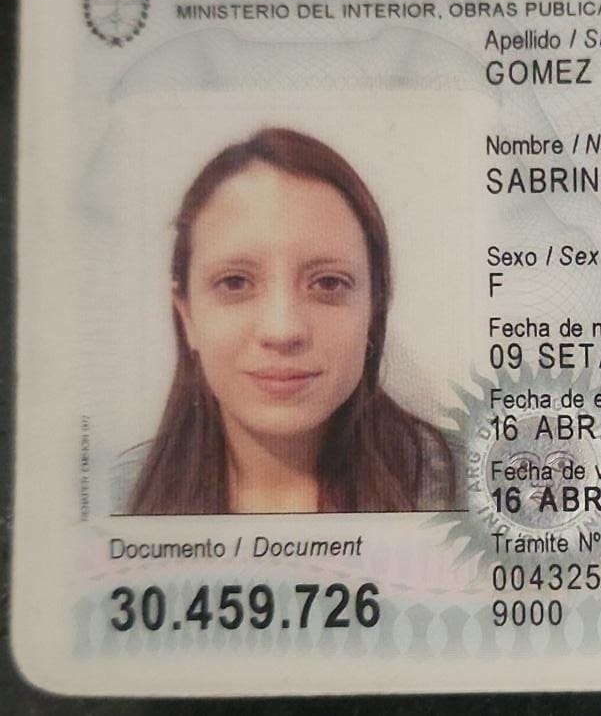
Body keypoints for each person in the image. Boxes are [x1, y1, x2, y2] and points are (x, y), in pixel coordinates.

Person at [119, 128, 455, 514]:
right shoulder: (116, 498)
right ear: (188, 316)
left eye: (328, 283)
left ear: (373, 308)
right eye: (235, 282)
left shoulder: (474, 494)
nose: (283, 330)